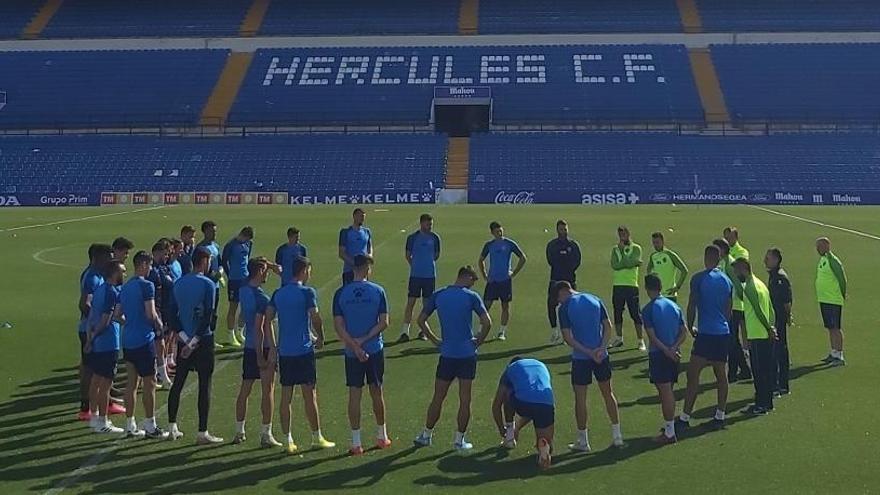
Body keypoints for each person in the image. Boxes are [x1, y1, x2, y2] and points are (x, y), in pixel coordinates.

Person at [413, 266, 491, 450]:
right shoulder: (471, 297)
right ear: (467, 277)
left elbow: (420, 320)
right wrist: (478, 341)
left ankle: (426, 434)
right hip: (467, 354)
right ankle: (459, 440)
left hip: (447, 353)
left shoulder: (439, 295)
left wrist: (435, 341)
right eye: (473, 281)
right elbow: (487, 322)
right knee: (465, 399)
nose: (473, 285)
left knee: (438, 397)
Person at [267, 256, 336, 454]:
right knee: (309, 395)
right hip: (304, 350)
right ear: (304, 271)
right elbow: (315, 317)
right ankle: (316, 436)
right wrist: (321, 337)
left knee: (286, 396)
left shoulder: (278, 293)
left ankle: (288, 439)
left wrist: (273, 346)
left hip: (285, 352)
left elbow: (268, 320)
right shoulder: (307, 293)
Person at [332, 255, 390, 455]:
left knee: (354, 394)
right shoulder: (378, 291)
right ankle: (382, 436)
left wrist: (354, 345)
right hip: (373, 349)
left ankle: (356, 442)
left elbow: (338, 326)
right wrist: (365, 340)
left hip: (351, 351)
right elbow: (384, 322)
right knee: (376, 391)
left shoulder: (341, 293)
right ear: (366, 268)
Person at [556, 281, 624, 452]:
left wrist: (588, 352)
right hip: (602, 356)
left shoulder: (565, 308)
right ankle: (617, 436)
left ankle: (583, 440)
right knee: (608, 393)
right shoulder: (594, 299)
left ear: (562, 292)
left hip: (581, 359)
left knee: (580, 398)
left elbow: (568, 338)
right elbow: (607, 327)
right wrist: (601, 349)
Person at [167, 248, 223, 444]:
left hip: (183, 339)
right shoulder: (209, 284)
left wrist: (185, 339)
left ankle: (172, 427)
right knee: (204, 384)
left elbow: (171, 315)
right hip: (203, 340)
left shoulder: (178, 283)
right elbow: (208, 315)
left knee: (178, 383)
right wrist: (194, 342)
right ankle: (202, 432)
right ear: (204, 261)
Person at [678, 245, 733, 431]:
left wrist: (690, 325)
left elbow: (692, 304)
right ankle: (720, 415)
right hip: (722, 332)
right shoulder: (726, 280)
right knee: (721, 374)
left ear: (705, 257)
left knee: (692, 374)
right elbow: (728, 310)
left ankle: (685, 417)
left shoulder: (699, 279)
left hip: (706, 333)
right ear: (719, 259)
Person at [119, 251, 169, 439]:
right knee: (149, 383)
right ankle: (150, 425)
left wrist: (131, 322)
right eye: (148, 266)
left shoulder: (126, 287)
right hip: (144, 340)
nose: (150, 269)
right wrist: (159, 326)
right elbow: (150, 313)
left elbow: (118, 314)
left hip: (128, 340)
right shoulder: (147, 286)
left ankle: (130, 424)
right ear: (143, 265)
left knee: (131, 383)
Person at [233, 257, 281, 447]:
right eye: (266, 271)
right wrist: (264, 355)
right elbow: (261, 328)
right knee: (267, 391)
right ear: (260, 272)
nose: (268, 274)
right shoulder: (262, 298)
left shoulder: (243, 289)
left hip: (249, 347)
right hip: (263, 347)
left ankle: (239, 430)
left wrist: (265, 265)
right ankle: (266, 434)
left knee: (245, 389)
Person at [641, 274, 687, 444]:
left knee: (665, 392)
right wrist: (673, 348)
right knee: (669, 391)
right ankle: (669, 428)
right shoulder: (674, 306)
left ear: (647, 288)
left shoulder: (648, 309)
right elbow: (684, 331)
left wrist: (666, 350)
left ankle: (669, 432)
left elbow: (652, 337)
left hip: (660, 355)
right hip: (675, 355)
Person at [84, 260, 126, 433]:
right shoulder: (111, 292)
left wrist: (89, 339)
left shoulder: (100, 289)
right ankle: (103, 420)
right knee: (106, 384)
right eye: (122, 271)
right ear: (114, 273)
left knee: (96, 381)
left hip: (97, 343)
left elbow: (91, 317)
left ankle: (93, 417)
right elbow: (106, 320)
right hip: (108, 343)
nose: (124, 273)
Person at [77, 243, 118, 421]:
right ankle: (86, 406)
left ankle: (105, 401)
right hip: (90, 330)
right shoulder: (92, 277)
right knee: (91, 369)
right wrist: (97, 322)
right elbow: (84, 303)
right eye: (106, 257)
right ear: (96, 258)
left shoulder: (99, 275)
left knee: (97, 368)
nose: (110, 260)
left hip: (95, 329)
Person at [491, 357, 555, 470]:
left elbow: (496, 405)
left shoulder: (510, 369)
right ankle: (544, 449)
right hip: (547, 403)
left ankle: (509, 436)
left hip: (524, 402)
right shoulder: (540, 365)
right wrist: (519, 427)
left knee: (508, 393)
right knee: (544, 439)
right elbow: (536, 402)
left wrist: (503, 430)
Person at [733, 259, 778, 415]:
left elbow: (758, 311)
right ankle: (767, 402)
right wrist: (772, 327)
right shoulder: (761, 284)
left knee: (759, 373)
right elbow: (770, 309)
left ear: (743, 268)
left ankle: (761, 405)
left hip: (758, 335)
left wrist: (768, 328)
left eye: (736, 271)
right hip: (764, 335)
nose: (736, 274)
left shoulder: (750, 287)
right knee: (765, 370)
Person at [478, 221, 526, 341]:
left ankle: (502, 332)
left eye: (501, 230)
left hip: (505, 280)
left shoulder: (509, 244)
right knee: (485, 306)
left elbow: (522, 257)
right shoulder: (489, 245)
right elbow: (481, 260)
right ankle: (480, 330)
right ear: (492, 233)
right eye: (497, 232)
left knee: (505, 306)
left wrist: (514, 273)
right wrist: (485, 275)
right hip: (492, 281)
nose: (500, 233)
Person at [713, 238, 751, 382]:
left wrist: (741, 301)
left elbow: (738, 286)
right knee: (732, 340)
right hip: (730, 306)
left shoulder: (729, 265)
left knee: (732, 341)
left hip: (734, 307)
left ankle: (743, 370)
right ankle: (735, 372)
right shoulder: (724, 262)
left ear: (722, 250)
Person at [399, 214, 441, 342]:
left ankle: (423, 331)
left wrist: (427, 263)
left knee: (427, 304)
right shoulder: (412, 238)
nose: (430, 226)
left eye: (431, 224)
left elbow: (437, 254)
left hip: (429, 275)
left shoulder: (435, 238)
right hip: (416, 276)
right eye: (428, 224)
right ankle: (405, 331)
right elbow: (407, 255)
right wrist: (415, 265)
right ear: (421, 223)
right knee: (411, 302)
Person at [608, 226, 645, 351]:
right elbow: (615, 265)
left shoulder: (636, 248)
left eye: (624, 234)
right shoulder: (615, 249)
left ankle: (640, 340)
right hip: (618, 285)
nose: (622, 236)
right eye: (620, 234)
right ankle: (619, 338)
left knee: (635, 314)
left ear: (628, 234)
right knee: (618, 312)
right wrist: (627, 262)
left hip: (631, 285)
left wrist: (623, 254)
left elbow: (627, 263)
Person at [546, 219, 581, 344]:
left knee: (572, 307)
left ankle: (570, 334)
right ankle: (555, 332)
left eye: (565, 229)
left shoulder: (573, 245)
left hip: (570, 280)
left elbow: (577, 261)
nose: (564, 232)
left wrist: (568, 269)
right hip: (555, 279)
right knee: (551, 304)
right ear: (557, 230)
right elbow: (550, 260)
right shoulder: (552, 245)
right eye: (561, 229)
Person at [815, 237, 847, 366]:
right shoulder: (823, 260)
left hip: (833, 299)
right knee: (830, 327)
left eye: (819, 246)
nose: (817, 249)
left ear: (827, 246)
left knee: (835, 327)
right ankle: (833, 352)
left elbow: (842, 278)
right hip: (824, 299)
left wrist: (842, 295)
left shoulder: (833, 261)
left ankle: (839, 355)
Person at [765, 248, 792, 395]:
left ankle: (782, 384)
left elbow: (787, 301)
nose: (765, 261)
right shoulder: (774, 275)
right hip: (775, 318)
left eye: (768, 258)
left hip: (779, 319)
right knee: (776, 350)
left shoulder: (780, 278)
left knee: (780, 351)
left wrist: (787, 317)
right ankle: (776, 383)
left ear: (776, 260)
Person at [147, 241, 174, 388]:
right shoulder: (152, 272)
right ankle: (161, 375)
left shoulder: (164, 268)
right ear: (156, 252)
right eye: (165, 253)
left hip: (167, 309)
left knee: (164, 341)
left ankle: (158, 373)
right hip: (158, 311)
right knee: (159, 343)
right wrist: (156, 313)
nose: (167, 256)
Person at [222, 226, 255, 347]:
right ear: (242, 235)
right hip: (234, 280)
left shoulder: (249, 244)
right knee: (233, 307)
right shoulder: (231, 245)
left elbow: (247, 258)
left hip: (245, 279)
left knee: (246, 306)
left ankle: (240, 331)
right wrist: (229, 273)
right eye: (245, 238)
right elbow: (224, 260)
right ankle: (231, 334)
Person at [647, 232, 689, 303]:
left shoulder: (670, 255)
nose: (655, 245)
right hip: (657, 295)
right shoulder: (653, 256)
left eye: (657, 242)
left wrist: (677, 287)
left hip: (669, 295)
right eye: (654, 243)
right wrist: (651, 276)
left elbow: (684, 270)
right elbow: (648, 269)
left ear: (663, 241)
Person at [338, 208, 373, 286]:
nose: (362, 219)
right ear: (354, 216)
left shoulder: (367, 232)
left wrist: (368, 260)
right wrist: (354, 263)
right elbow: (341, 253)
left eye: (363, 217)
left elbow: (369, 248)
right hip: (349, 271)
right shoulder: (345, 232)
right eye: (360, 216)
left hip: (363, 271)